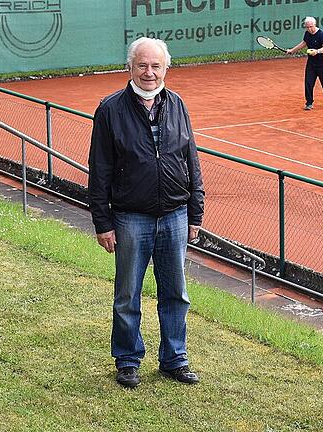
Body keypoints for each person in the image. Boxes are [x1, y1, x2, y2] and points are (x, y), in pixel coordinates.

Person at [88, 37, 205, 389]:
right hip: (130, 218)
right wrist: (102, 222)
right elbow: (100, 169)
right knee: (127, 294)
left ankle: (174, 359)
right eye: (142, 65)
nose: (149, 72)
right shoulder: (110, 109)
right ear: (130, 67)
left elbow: (191, 159)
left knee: (176, 294)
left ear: (165, 68)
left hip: (174, 215)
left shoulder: (178, 104)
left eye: (156, 66)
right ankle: (127, 359)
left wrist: (195, 212)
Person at [286, 16, 323, 111]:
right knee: (308, 83)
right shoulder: (307, 34)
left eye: (311, 27)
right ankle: (309, 103)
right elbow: (304, 43)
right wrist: (292, 50)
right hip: (312, 64)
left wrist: (317, 51)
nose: (309, 29)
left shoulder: (321, 34)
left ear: (315, 25)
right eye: (307, 27)